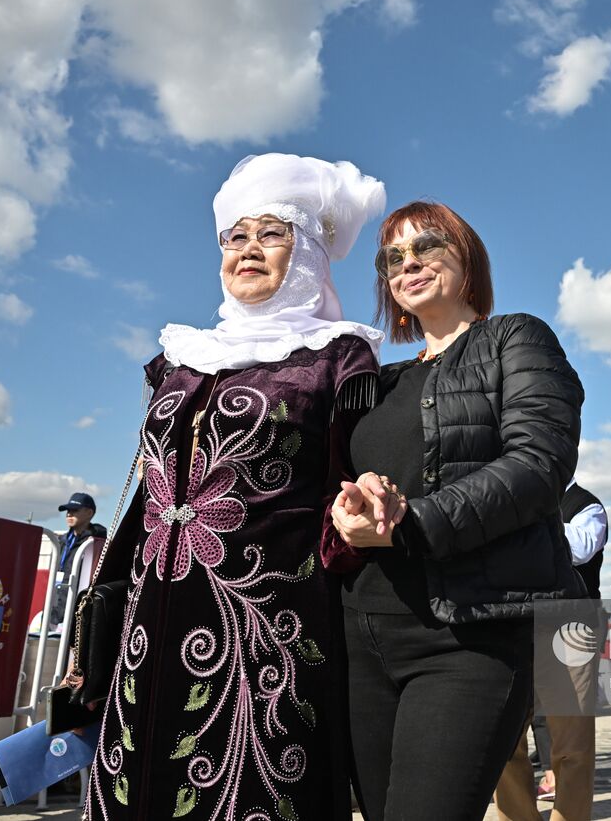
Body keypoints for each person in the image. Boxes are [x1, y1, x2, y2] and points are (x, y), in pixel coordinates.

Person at [82, 154, 386, 821]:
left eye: (271, 233)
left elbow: (353, 493)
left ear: (304, 251)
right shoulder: (179, 357)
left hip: (266, 628)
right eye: (235, 236)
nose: (248, 249)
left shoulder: (338, 357)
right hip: (148, 620)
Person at [330, 200, 586, 821]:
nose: (408, 263)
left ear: (465, 257)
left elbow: (538, 465)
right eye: (393, 257)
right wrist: (349, 510)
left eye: (427, 246)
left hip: (468, 636)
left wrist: (410, 523)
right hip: (362, 638)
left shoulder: (514, 339)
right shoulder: (374, 382)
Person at [494, 480, 607, 821]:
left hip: (569, 631)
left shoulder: (587, 504)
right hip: (510, 624)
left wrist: (518, 522)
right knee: (502, 741)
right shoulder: (508, 492)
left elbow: (581, 547)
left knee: (572, 745)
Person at [57, 492, 106, 573]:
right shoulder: (62, 540)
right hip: (58, 585)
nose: (69, 514)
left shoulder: (96, 543)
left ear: (89, 513)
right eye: (68, 510)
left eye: (75, 510)